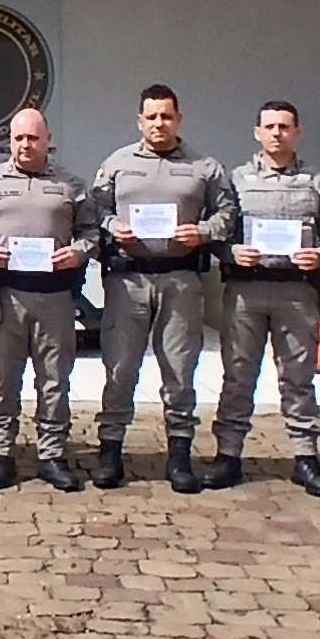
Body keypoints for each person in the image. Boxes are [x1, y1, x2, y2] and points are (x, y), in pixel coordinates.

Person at [90, 85, 238, 492]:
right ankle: (110, 450)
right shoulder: (118, 163)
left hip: (180, 279)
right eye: (152, 117)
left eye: (166, 116)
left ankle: (179, 452)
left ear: (178, 119)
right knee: (120, 368)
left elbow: (228, 213)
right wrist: (112, 226)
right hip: (128, 280)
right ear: (140, 121)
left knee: (180, 370)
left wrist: (203, 231)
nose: (159, 123)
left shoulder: (204, 167)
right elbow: (94, 208)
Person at [212, 99, 320, 496]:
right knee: (238, 376)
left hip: (297, 291)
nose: (277, 133)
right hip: (246, 291)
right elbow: (217, 232)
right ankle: (228, 455)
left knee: (299, 378)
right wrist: (231, 252)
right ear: (257, 132)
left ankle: (306, 458)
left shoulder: (317, 182)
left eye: (284, 126)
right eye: (269, 127)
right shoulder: (235, 181)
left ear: (297, 132)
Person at [0, 107, 97, 492]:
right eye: (19, 138)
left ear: (47, 140)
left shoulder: (71, 186)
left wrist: (79, 252)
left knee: (54, 380)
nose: (26, 144)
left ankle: (52, 455)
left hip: (55, 298)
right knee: (3, 378)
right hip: (6, 297)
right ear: (10, 141)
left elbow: (92, 232)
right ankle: (1, 453)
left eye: (33, 137)